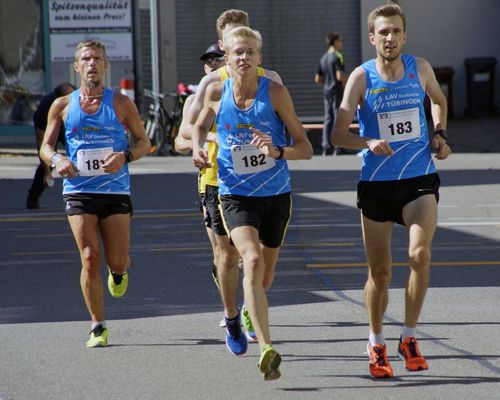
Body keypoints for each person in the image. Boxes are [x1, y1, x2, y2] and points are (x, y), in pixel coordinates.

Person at [331, 4, 451, 378]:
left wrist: (439, 134)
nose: (390, 38)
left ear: (404, 35)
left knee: (420, 254)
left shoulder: (421, 68)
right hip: (376, 186)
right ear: (372, 38)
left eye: (396, 31)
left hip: (418, 179)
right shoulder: (361, 78)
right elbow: (336, 134)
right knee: (380, 274)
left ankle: (409, 337)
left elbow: (438, 100)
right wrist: (367, 142)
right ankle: (376, 341)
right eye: (383, 32)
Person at [192, 26, 313, 381]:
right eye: (237, 53)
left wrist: (276, 151)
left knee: (264, 275)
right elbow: (198, 126)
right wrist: (199, 147)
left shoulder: (275, 93)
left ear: (259, 58)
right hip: (234, 194)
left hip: (275, 195)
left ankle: (246, 310)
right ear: (225, 60)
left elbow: (305, 147)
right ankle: (264, 346)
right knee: (251, 258)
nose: (244, 58)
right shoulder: (216, 89)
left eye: (250, 53)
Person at [177, 8, 284, 346]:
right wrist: (209, 139)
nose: (240, 51)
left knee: (260, 266)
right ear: (223, 45)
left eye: (245, 41)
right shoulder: (210, 85)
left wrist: (277, 148)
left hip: (264, 184)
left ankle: (252, 303)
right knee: (228, 255)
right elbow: (182, 137)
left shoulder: (271, 81)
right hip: (216, 180)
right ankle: (232, 316)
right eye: (230, 43)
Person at [39, 39, 150, 347]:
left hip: (115, 191)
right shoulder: (62, 106)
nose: (91, 63)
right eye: (85, 58)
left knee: (115, 262)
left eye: (96, 58)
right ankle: (97, 326)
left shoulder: (121, 104)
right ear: (77, 67)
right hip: (78, 190)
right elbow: (46, 148)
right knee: (89, 258)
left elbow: (144, 143)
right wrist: (58, 158)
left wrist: (124, 156)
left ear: (105, 66)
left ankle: (119, 272)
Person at [175, 43, 241, 331]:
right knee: (221, 250)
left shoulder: (241, 93)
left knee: (240, 251)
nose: (213, 64)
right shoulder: (194, 102)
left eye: (217, 58)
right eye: (208, 61)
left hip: (242, 179)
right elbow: (178, 142)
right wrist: (206, 141)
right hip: (210, 180)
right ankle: (231, 306)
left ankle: (243, 305)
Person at [26, 82, 75, 209]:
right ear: (58, 99)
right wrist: (47, 173)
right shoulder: (44, 111)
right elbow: (42, 147)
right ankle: (33, 196)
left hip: (67, 128)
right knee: (48, 161)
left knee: (78, 152)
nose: (71, 102)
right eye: (67, 99)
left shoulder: (77, 101)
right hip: (50, 128)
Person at [315, 32, 346, 156]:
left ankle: (326, 146)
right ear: (335, 41)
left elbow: (318, 79)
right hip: (337, 90)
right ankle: (338, 146)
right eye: (340, 40)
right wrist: (349, 81)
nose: (341, 43)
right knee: (338, 117)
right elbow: (340, 76)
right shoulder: (337, 56)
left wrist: (327, 82)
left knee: (328, 118)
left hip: (327, 91)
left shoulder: (323, 57)